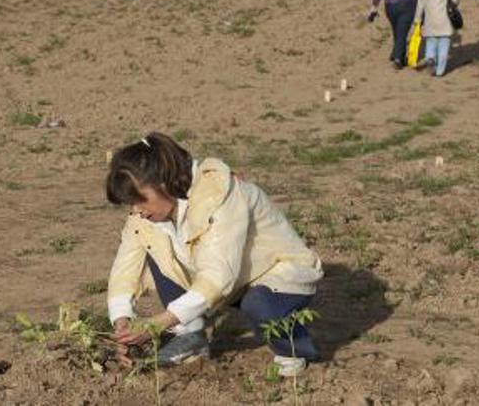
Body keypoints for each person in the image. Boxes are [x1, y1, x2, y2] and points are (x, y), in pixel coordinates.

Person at [105, 132, 322, 373]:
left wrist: (159, 323)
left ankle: (292, 351)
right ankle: (191, 337)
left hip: (274, 272)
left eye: (140, 200)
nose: (137, 210)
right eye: (130, 204)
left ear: (163, 183)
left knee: (260, 303)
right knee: (154, 247)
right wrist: (122, 322)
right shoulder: (144, 218)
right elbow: (125, 270)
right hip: (227, 279)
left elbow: (218, 277)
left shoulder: (220, 196)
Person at [413, 0, 459, 77]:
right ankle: (439, 71)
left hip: (430, 19)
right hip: (445, 20)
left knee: (431, 42)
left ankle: (430, 58)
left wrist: (417, 19)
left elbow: (421, 2)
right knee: (444, 46)